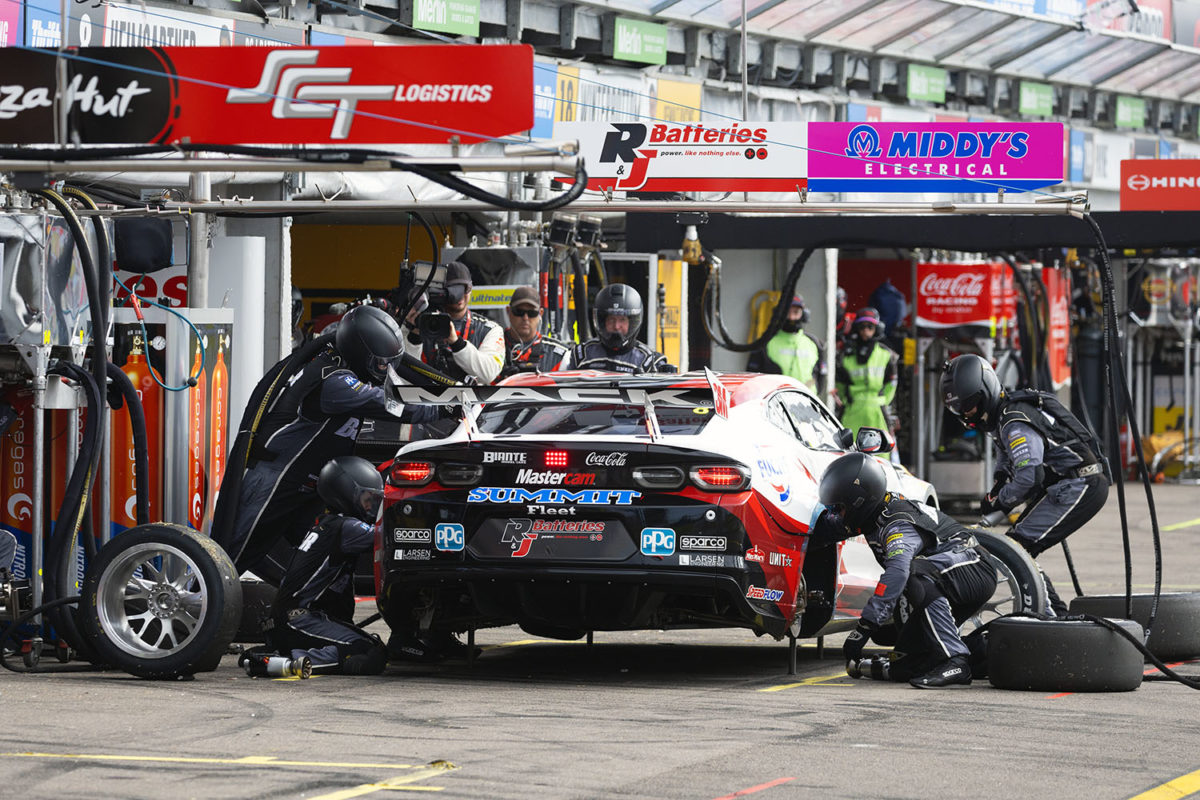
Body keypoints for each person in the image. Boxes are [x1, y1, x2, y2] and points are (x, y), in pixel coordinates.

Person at [214, 305, 447, 585]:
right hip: (275, 479)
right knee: (229, 557)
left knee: (322, 557)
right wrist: (446, 407)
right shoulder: (333, 378)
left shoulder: (348, 365)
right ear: (361, 354)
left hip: (310, 486)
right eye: (381, 363)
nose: (387, 371)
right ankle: (195, 607)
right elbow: (393, 404)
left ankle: (304, 616)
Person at [941, 354, 1110, 615]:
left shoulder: (1014, 422)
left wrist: (1002, 501)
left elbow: (1030, 477)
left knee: (1017, 549)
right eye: (960, 409)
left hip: (1080, 484)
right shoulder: (1004, 417)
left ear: (985, 391)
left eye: (970, 405)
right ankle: (1053, 614)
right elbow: (1007, 456)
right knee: (1016, 547)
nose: (967, 414)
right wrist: (998, 484)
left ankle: (1052, 619)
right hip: (1067, 484)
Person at [815, 452, 997, 688]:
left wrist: (865, 627)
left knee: (914, 575)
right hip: (948, 578)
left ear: (858, 503)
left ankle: (956, 661)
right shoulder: (871, 516)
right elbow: (828, 528)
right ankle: (980, 652)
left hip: (974, 568)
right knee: (907, 662)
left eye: (838, 508)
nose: (836, 514)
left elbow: (898, 573)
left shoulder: (898, 524)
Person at [264, 457, 389, 675]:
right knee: (367, 652)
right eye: (367, 499)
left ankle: (284, 654)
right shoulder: (347, 528)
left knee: (374, 648)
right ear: (345, 492)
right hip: (298, 618)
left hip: (293, 618)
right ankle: (286, 662)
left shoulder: (328, 523)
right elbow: (389, 536)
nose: (370, 506)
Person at [402, 261, 505, 385]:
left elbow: (488, 374)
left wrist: (457, 343)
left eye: (464, 289)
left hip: (469, 402)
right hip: (424, 400)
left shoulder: (490, 329)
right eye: (453, 290)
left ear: (471, 289)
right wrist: (414, 336)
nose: (460, 295)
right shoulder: (416, 322)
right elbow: (402, 378)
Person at [570, 283, 673, 374]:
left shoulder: (649, 361)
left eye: (622, 320)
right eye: (611, 320)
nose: (616, 326)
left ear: (632, 323)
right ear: (602, 322)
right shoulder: (581, 355)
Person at [836, 307, 898, 437]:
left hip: (878, 411)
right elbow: (840, 384)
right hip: (852, 410)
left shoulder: (886, 354)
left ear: (877, 329)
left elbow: (891, 383)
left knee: (880, 453)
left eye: (870, 327)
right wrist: (847, 402)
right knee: (849, 452)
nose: (866, 331)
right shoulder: (846, 355)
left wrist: (883, 402)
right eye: (862, 327)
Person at [747, 294, 826, 393]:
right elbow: (751, 379)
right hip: (775, 405)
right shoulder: (765, 342)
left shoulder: (814, 343)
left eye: (796, 312)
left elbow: (821, 376)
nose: (791, 317)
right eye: (787, 312)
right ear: (779, 314)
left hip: (807, 404)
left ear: (804, 314)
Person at [498, 286, 571, 380]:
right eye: (519, 312)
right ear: (508, 311)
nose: (525, 318)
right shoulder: (491, 346)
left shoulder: (559, 356)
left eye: (532, 313)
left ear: (540, 313)